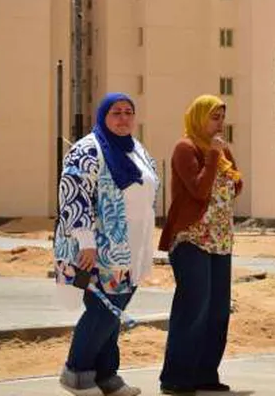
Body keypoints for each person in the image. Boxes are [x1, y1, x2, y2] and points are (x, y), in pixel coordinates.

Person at [54, 93, 159, 396]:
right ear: (103, 116)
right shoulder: (87, 150)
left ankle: (106, 375)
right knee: (102, 311)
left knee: (115, 310)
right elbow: (73, 195)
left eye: (128, 112)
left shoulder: (136, 149)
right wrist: (85, 241)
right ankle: (76, 373)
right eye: (116, 112)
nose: (123, 118)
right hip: (98, 248)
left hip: (131, 247)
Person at [158, 95, 244, 395]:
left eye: (222, 117)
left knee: (218, 310)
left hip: (220, 239)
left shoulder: (221, 150)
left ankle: (205, 373)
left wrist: (222, 159)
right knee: (194, 307)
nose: (220, 123)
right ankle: (176, 377)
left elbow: (236, 183)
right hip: (192, 238)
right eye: (214, 117)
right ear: (199, 118)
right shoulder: (186, 148)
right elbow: (198, 189)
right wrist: (213, 157)